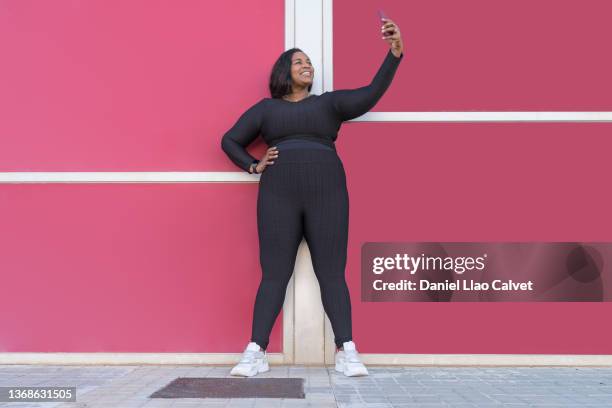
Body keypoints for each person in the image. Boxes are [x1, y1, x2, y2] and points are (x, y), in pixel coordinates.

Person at [221, 16, 404, 377]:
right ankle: (255, 351)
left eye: (309, 62)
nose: (308, 65)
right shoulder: (266, 109)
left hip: (328, 193)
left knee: (332, 273)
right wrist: (252, 166)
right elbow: (229, 140)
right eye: (299, 61)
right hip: (278, 195)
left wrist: (394, 54)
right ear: (283, 72)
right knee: (274, 274)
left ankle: (347, 350)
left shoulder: (328, 104)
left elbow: (370, 93)